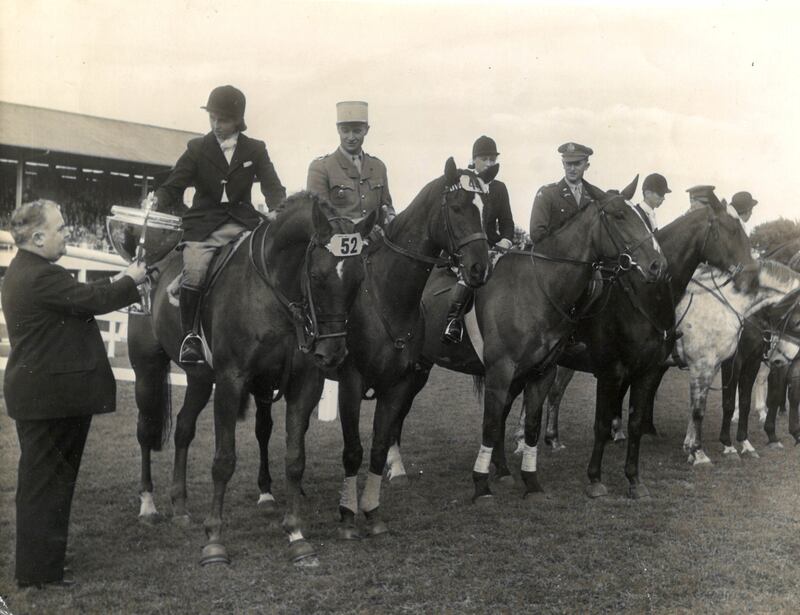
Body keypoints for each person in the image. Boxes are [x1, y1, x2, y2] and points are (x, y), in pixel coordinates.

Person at [3, 200, 147, 589]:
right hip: (51, 398)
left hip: (46, 396)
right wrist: (131, 279)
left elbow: (82, 293)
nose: (67, 233)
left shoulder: (32, 271)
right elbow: (92, 300)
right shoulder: (39, 276)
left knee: (46, 483)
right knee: (46, 485)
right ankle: (37, 573)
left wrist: (124, 280)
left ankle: (43, 564)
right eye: (61, 228)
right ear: (37, 237)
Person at [154, 85, 287, 365]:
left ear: (238, 120)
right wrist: (158, 199)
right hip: (204, 226)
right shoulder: (197, 148)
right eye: (212, 118)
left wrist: (278, 209)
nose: (216, 125)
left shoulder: (255, 149)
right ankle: (191, 337)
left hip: (243, 223)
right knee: (195, 271)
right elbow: (174, 185)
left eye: (223, 120)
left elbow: (273, 187)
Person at [441, 135, 515, 344]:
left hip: (493, 247)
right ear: (474, 160)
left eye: (493, 159)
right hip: (466, 247)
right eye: (485, 158)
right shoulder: (462, 182)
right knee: (470, 275)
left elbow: (508, 223)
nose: (489, 163)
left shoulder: (499, 188)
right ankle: (452, 321)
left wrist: (505, 242)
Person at [306, 100, 395, 223]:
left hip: (376, 239)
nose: (351, 137)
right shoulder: (321, 168)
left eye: (357, 131)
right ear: (338, 129)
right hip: (337, 240)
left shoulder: (378, 167)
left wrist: (391, 217)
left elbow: (387, 207)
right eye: (345, 130)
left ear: (366, 130)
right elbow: (319, 217)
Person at [529, 142, 602, 242]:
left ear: (586, 166)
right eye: (568, 163)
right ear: (563, 164)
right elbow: (537, 233)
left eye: (577, 164)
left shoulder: (596, 195)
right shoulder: (547, 193)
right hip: (553, 256)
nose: (572, 169)